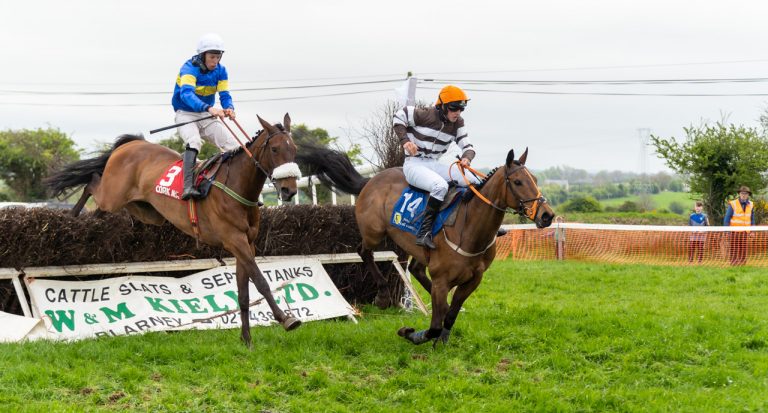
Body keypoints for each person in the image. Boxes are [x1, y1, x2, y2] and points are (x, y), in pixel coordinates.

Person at [393, 85, 480, 249]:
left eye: (461, 108)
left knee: (474, 182)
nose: (458, 112)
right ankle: (424, 233)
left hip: (434, 164)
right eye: (454, 108)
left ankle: (483, 225)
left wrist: (466, 158)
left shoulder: (458, 123)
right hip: (414, 164)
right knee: (440, 186)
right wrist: (405, 142)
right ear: (442, 106)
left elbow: (469, 147)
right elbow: (398, 117)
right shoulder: (425, 114)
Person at [172, 33, 240, 200]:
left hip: (206, 113)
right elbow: (186, 95)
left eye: (218, 57)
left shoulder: (221, 71)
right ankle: (188, 186)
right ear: (202, 55)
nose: (215, 61)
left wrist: (229, 108)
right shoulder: (188, 68)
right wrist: (209, 108)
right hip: (185, 113)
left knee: (234, 145)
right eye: (211, 57)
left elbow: (224, 94)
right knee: (194, 141)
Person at [723, 186, 754, 266]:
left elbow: (752, 218)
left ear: (748, 195)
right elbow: (727, 218)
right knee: (734, 248)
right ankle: (733, 264)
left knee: (743, 248)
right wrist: (726, 231)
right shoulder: (733, 204)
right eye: (742, 193)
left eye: (745, 193)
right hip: (734, 231)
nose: (743, 195)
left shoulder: (751, 204)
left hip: (745, 231)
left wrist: (752, 231)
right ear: (739, 194)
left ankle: (743, 264)